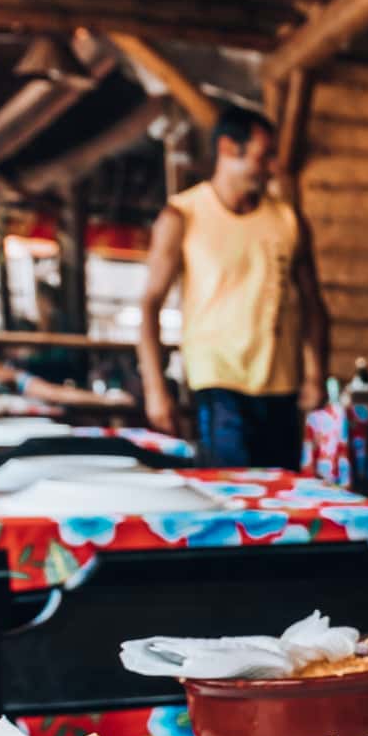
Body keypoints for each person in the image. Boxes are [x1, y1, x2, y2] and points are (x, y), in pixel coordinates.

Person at [137, 105, 329, 467]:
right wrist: (155, 389)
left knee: (282, 490)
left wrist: (316, 375)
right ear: (227, 148)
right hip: (217, 383)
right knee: (234, 488)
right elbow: (150, 304)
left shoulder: (288, 220)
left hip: (282, 386)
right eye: (264, 155)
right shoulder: (182, 215)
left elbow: (313, 304)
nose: (272, 166)